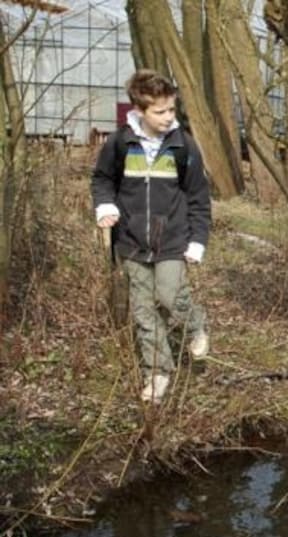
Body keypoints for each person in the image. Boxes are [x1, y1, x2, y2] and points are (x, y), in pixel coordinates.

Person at [92, 69, 211, 404]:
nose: (168, 117)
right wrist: (104, 207)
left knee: (171, 296)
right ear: (139, 110)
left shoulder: (182, 146)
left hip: (172, 240)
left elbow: (199, 197)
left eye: (171, 109)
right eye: (160, 111)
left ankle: (197, 325)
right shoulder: (120, 143)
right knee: (143, 311)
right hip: (130, 242)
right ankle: (157, 372)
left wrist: (197, 240)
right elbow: (102, 180)